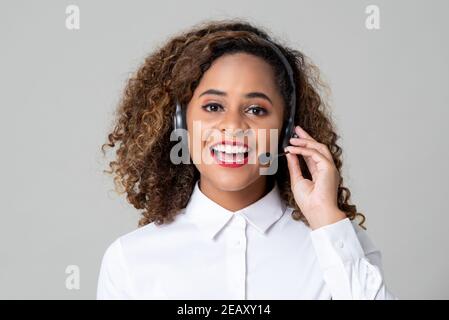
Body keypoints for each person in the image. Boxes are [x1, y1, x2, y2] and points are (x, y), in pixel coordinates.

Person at [98, 18, 397, 299]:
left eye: (256, 110)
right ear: (180, 123)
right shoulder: (130, 260)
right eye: (213, 107)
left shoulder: (340, 244)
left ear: (287, 128)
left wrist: (325, 218)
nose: (234, 127)